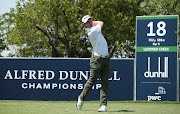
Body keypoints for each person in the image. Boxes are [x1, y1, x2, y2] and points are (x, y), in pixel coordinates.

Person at [76, 15, 111, 112]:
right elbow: (101, 22)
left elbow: (99, 22)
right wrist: (93, 23)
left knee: (105, 82)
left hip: (106, 59)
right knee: (91, 81)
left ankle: (103, 105)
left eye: (91, 19)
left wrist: (90, 22)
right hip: (97, 60)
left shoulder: (93, 28)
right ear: (85, 25)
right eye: (88, 21)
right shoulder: (92, 32)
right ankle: (81, 99)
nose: (91, 21)